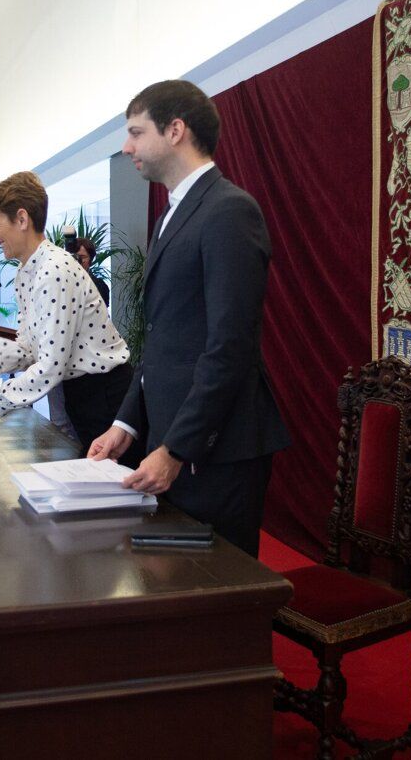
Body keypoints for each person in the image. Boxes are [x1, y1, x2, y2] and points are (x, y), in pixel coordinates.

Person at [88, 80, 291, 557]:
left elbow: (229, 348)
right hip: (178, 442)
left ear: (175, 130)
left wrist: (177, 449)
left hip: (219, 451)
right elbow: (161, 342)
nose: (127, 146)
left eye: (137, 132)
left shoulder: (229, 211)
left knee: (217, 603)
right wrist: (127, 426)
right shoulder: (171, 216)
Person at [0, 171, 139, 465]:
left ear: (22, 219)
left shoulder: (54, 269)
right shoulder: (26, 271)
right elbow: (29, 346)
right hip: (83, 394)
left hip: (105, 396)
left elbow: (50, 366)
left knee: (115, 500)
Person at [66, 237, 110, 306]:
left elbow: (102, 313)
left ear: (90, 259)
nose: (77, 260)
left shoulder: (99, 285)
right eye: (74, 256)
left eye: (82, 257)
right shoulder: (63, 282)